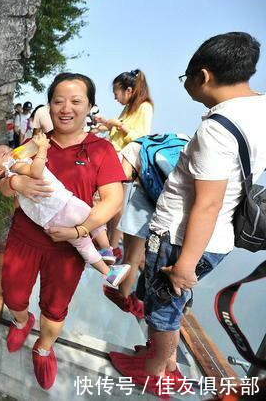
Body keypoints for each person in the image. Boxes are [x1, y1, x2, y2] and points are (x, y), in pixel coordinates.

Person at [109, 32, 265, 397]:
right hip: (217, 237)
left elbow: (207, 203)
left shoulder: (218, 128)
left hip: (182, 240)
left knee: (164, 308)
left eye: (187, 78)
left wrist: (185, 265)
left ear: (204, 76)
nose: (187, 86)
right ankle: (164, 362)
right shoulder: (258, 111)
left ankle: (155, 373)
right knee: (168, 304)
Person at [0, 73, 126, 390]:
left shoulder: (101, 150)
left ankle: (43, 349)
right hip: (25, 238)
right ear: (49, 105)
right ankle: (21, 320)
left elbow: (113, 200)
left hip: (68, 247)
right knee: (13, 296)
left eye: (76, 101)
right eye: (58, 101)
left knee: (54, 308)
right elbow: (2, 183)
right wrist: (16, 182)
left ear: (90, 107)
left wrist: (80, 230)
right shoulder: (33, 145)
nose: (65, 108)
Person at [0, 133, 128, 286]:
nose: (11, 152)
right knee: (94, 217)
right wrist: (43, 148)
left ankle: (108, 272)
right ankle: (106, 249)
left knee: (82, 245)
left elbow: (12, 196)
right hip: (62, 205)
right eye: (4, 154)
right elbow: (36, 172)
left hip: (49, 220)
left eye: (9, 148)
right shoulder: (15, 165)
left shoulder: (11, 172)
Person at [94, 69, 154, 252]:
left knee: (111, 202)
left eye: (116, 93)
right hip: (114, 157)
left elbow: (141, 137)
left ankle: (109, 245)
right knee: (112, 202)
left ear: (128, 91)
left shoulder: (144, 107)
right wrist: (107, 124)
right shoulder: (129, 107)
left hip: (125, 160)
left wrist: (119, 125)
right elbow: (116, 132)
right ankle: (110, 245)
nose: (115, 98)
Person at [102, 141, 151, 319]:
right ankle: (123, 291)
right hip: (160, 206)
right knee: (136, 256)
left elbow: (122, 176)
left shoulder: (133, 148)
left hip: (143, 202)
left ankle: (121, 295)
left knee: (132, 256)